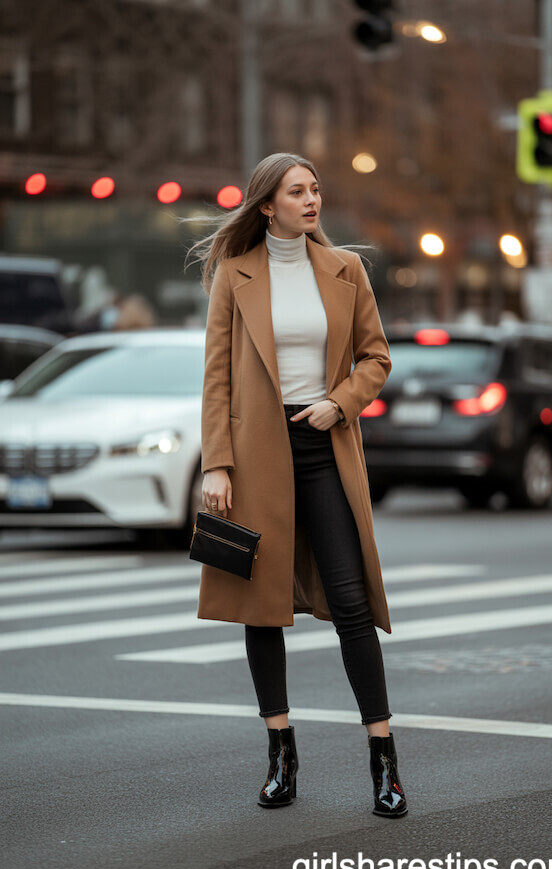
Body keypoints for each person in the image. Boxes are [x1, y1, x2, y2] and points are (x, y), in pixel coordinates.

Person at [189, 152, 406, 817]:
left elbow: (377, 356)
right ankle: (280, 750)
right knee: (261, 606)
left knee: (350, 601)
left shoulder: (346, 270)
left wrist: (340, 403)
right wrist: (217, 463)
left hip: (323, 446)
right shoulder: (235, 273)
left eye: (315, 189)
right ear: (266, 205)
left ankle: (384, 757)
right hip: (257, 453)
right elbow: (218, 376)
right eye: (296, 192)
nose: (311, 200)